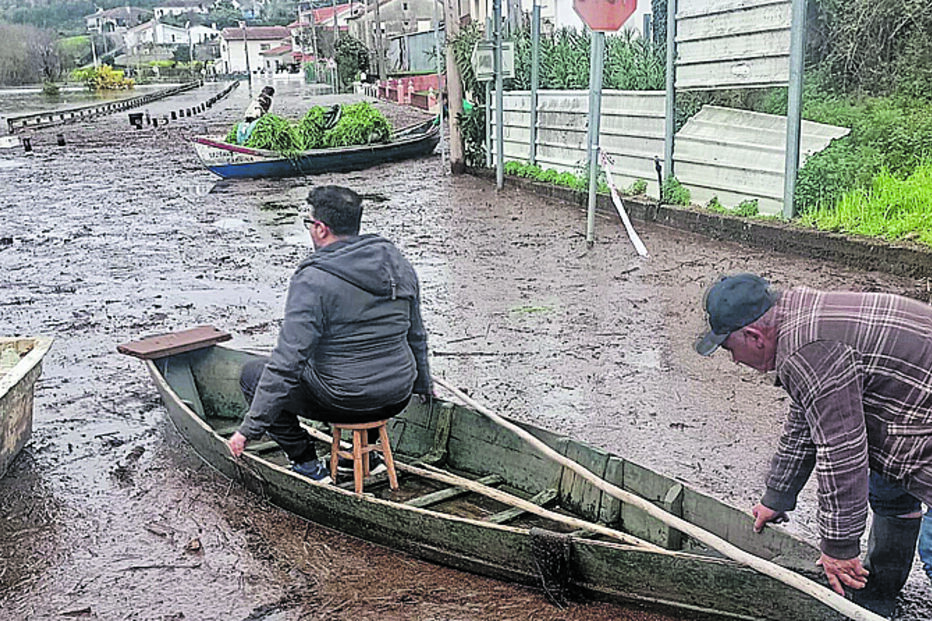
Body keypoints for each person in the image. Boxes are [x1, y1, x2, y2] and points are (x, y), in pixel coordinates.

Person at [694, 273, 932, 616]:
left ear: (753, 336)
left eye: (730, 349)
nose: (734, 361)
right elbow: (808, 416)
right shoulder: (798, 316)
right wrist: (776, 496)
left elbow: (842, 451)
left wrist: (838, 547)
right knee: (888, 489)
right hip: (911, 397)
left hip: (922, 412)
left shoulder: (806, 349)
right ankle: (876, 597)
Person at [228, 185, 432, 483]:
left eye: (309, 223)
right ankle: (368, 455)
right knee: (363, 364)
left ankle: (307, 464)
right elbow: (416, 334)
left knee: (253, 375)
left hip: (345, 401)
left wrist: (248, 430)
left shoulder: (313, 279)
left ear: (321, 229)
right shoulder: (397, 262)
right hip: (398, 395)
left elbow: (287, 363)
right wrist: (423, 383)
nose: (310, 229)